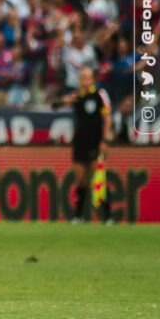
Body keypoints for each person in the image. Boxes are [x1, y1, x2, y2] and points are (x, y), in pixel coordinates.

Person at [57, 66, 113, 224]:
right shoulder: (76, 97)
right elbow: (56, 105)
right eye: (82, 77)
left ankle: (107, 216)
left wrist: (104, 140)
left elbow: (107, 120)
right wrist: (62, 101)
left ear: (93, 79)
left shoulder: (100, 95)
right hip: (80, 141)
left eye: (87, 77)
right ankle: (78, 215)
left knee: (99, 179)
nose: (85, 80)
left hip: (95, 142)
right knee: (80, 179)